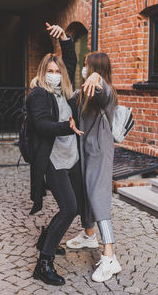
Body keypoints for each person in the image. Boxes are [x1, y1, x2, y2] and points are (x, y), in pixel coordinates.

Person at [26, 22, 84, 286]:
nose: (54, 74)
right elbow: (40, 125)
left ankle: (44, 238)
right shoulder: (39, 93)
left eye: (57, 71)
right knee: (69, 208)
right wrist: (66, 127)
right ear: (42, 72)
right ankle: (44, 262)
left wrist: (66, 39)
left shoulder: (64, 91)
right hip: (52, 159)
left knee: (75, 204)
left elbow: (70, 60)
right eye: (49, 71)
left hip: (70, 156)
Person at [67, 51, 122, 283]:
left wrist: (97, 78)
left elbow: (102, 92)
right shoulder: (83, 92)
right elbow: (69, 100)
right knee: (86, 194)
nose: (83, 67)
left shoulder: (104, 91)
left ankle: (110, 256)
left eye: (86, 65)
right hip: (84, 151)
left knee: (98, 197)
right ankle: (89, 234)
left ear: (95, 67)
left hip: (99, 153)